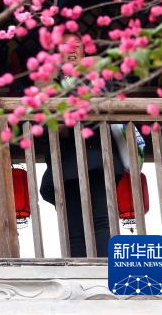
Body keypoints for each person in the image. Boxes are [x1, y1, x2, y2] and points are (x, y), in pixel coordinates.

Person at [39, 33, 124, 258]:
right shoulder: (50, 84)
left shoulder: (98, 77)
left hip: (97, 157)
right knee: (74, 224)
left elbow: (102, 106)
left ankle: (106, 268)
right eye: (66, 46)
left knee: (100, 218)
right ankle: (79, 266)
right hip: (66, 163)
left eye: (78, 45)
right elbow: (47, 125)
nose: (73, 49)